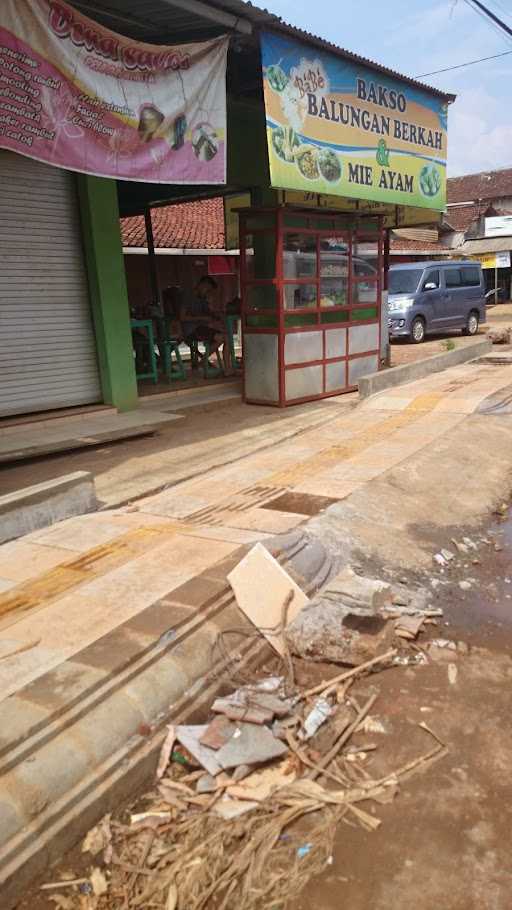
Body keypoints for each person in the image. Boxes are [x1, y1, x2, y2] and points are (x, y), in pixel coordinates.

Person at [181, 276, 232, 374]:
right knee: (222, 338)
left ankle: (226, 368)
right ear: (202, 285)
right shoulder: (188, 296)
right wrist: (202, 318)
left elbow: (207, 313)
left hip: (201, 329)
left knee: (226, 337)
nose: (208, 293)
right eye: (207, 290)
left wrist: (216, 315)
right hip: (192, 330)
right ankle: (203, 362)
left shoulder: (202, 298)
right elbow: (182, 317)